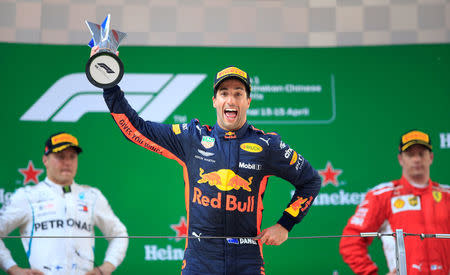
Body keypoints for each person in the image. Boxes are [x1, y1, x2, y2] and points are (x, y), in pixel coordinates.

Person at [91, 46, 322, 275]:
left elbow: (310, 181)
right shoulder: (192, 138)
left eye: (238, 93)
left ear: (248, 101)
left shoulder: (267, 145)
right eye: (224, 93)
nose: (231, 100)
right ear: (214, 101)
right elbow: (136, 129)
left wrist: (285, 224)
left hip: (247, 262)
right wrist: (109, 84)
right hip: (199, 262)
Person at [0, 132, 129, 275]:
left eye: (72, 157)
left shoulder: (92, 196)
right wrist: (12, 268)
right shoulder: (27, 196)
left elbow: (119, 234)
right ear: (45, 160)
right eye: (60, 156)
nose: (67, 162)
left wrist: (105, 268)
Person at [339, 130, 450, 275]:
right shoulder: (383, 195)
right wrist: (370, 272)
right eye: (410, 154)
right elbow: (351, 241)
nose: (416, 159)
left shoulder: (446, 195)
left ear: (431, 157)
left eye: (421, 154)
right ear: (400, 159)